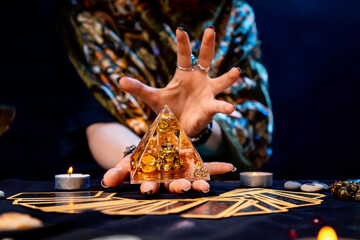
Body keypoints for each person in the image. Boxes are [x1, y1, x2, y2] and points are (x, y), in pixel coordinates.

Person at [56, 0, 273, 195]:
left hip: (213, 186)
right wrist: (149, 161)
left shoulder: (234, 14)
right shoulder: (93, 12)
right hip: (120, 181)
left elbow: (248, 131)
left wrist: (196, 130)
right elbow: (97, 119)